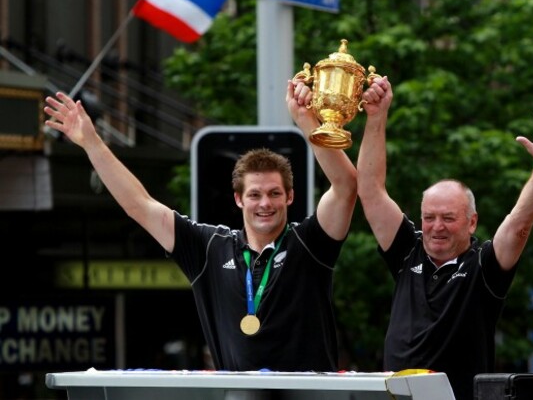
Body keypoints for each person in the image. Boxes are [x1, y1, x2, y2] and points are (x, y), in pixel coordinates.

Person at [43, 79, 357, 372]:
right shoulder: (209, 248)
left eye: (275, 193)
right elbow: (138, 205)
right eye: (255, 194)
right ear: (238, 200)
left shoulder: (309, 244)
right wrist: (91, 142)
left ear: (290, 196)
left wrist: (306, 121)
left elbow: (345, 186)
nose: (265, 204)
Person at [357, 77, 533, 400]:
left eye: (448, 218)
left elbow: (519, 223)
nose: (436, 227)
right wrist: (376, 117)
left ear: (472, 222)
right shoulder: (407, 251)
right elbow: (371, 192)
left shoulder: (483, 266)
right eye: (429, 217)